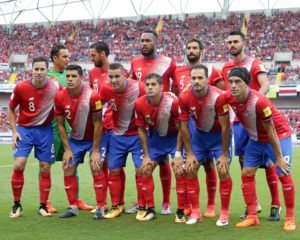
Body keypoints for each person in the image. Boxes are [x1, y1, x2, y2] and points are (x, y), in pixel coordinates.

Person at [219, 67, 296, 231]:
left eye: (237, 82)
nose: (233, 85)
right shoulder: (226, 98)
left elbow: (271, 130)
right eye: (230, 81)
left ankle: (290, 217)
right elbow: (224, 125)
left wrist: (279, 157)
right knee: (246, 173)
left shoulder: (259, 100)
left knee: (283, 172)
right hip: (256, 139)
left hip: (278, 135)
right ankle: (252, 216)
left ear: (246, 84)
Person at [222, 31, 280, 220]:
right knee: (243, 162)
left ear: (243, 42)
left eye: (235, 41)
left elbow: (265, 85)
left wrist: (253, 103)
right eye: (229, 42)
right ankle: (253, 204)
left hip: (258, 119)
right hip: (239, 122)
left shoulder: (254, 63)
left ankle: (275, 204)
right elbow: (227, 93)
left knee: (269, 161)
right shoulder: (226, 68)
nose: (232, 44)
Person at [173, 38, 225, 217]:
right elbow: (174, 93)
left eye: (195, 47)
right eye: (189, 48)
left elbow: (223, 92)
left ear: (201, 51)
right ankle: (189, 205)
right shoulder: (178, 70)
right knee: (191, 164)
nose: (191, 50)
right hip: (191, 124)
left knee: (210, 164)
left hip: (211, 123)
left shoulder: (211, 70)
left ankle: (211, 205)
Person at [177, 64, 232, 225]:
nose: (196, 81)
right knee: (191, 168)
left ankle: (224, 213)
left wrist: (223, 154)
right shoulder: (184, 97)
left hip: (218, 138)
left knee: (223, 170)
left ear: (207, 79)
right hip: (199, 138)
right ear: (189, 79)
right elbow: (184, 127)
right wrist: (189, 154)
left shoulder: (218, 97)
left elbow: (225, 127)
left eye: (200, 78)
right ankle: (195, 212)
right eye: (193, 78)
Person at [129, 29, 176, 214]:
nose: (144, 43)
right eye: (142, 40)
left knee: (164, 162)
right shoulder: (134, 62)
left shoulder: (168, 62)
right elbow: (131, 84)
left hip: (163, 118)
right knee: (141, 162)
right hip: (142, 115)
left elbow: (177, 88)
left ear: (156, 42)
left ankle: (166, 202)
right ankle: (141, 201)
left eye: (148, 40)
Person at [8, 57, 62, 218]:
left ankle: (43, 206)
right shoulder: (21, 87)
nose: (39, 72)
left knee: (45, 167)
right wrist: (13, 131)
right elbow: (11, 109)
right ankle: (17, 205)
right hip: (24, 130)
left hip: (45, 131)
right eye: (36, 69)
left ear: (47, 70)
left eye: (42, 69)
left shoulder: (55, 87)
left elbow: (64, 103)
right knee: (19, 165)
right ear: (32, 70)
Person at [54, 64, 107, 219]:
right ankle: (72, 207)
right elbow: (60, 125)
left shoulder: (93, 96)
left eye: (73, 76)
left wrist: (95, 151)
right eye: (67, 76)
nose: (70, 79)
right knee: (68, 166)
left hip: (95, 139)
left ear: (81, 78)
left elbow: (98, 124)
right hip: (76, 140)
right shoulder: (59, 96)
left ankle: (100, 207)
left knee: (96, 167)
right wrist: (67, 149)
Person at [48, 43, 93, 212]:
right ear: (55, 58)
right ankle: (46, 201)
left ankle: (76, 200)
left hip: (72, 130)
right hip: (52, 129)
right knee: (46, 165)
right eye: (65, 56)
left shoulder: (72, 75)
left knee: (71, 166)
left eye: (68, 56)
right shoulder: (47, 76)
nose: (68, 59)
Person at [100, 63, 145, 219]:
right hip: (117, 136)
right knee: (114, 170)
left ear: (125, 75)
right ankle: (117, 206)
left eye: (117, 76)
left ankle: (142, 205)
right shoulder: (105, 89)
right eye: (110, 77)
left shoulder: (139, 87)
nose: (113, 80)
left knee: (141, 170)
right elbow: (98, 107)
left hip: (137, 136)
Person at [134, 73, 182, 221]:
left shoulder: (172, 103)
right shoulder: (140, 103)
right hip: (156, 141)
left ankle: (181, 210)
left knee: (180, 170)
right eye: (147, 85)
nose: (149, 87)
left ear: (161, 87)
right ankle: (150, 209)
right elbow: (141, 129)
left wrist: (179, 154)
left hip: (174, 140)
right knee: (145, 169)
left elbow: (182, 128)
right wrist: (146, 155)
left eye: (153, 84)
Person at [89, 41, 124, 214]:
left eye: (93, 54)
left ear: (103, 54)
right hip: (100, 127)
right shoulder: (92, 73)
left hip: (115, 126)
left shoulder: (116, 72)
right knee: (99, 164)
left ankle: (119, 202)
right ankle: (101, 204)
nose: (91, 58)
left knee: (114, 165)